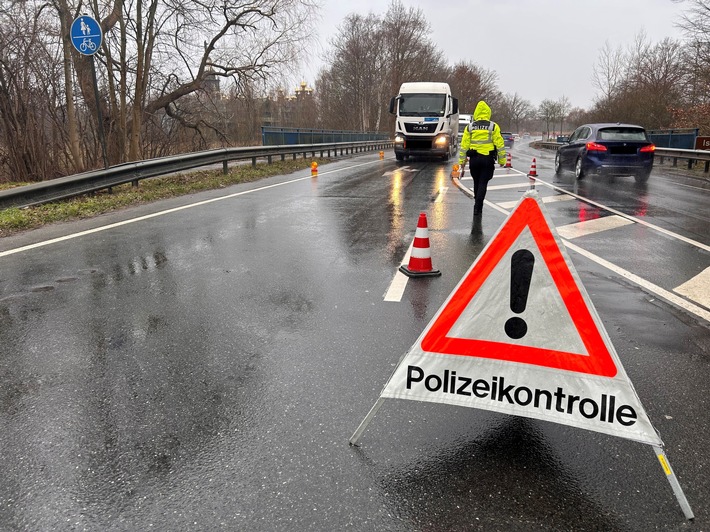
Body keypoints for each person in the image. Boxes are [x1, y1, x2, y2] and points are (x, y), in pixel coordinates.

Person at [458, 100, 506, 216]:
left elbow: (464, 146)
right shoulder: (493, 127)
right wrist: (502, 160)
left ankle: (476, 205)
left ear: (476, 113)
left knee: (476, 181)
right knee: (483, 182)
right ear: (488, 112)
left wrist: (462, 161)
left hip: (474, 159)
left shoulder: (470, 127)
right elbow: (499, 144)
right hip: (487, 159)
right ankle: (479, 206)